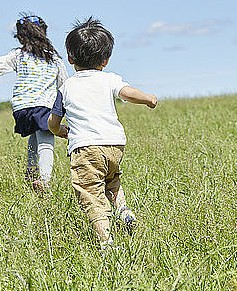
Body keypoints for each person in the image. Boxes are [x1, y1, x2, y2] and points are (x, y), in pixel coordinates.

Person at [47, 17, 157, 250]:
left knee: (90, 193)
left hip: (85, 148)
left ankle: (106, 243)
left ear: (70, 58)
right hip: (115, 145)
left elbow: (53, 122)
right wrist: (147, 98)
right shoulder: (110, 79)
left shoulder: (66, 87)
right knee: (111, 179)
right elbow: (127, 93)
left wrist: (59, 131)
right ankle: (123, 209)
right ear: (106, 60)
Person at [0, 15, 68, 193]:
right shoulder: (54, 59)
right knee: (46, 142)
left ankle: (31, 170)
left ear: (20, 38)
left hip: (22, 108)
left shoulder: (18, 55)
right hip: (43, 105)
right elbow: (64, 85)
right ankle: (44, 180)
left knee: (34, 135)